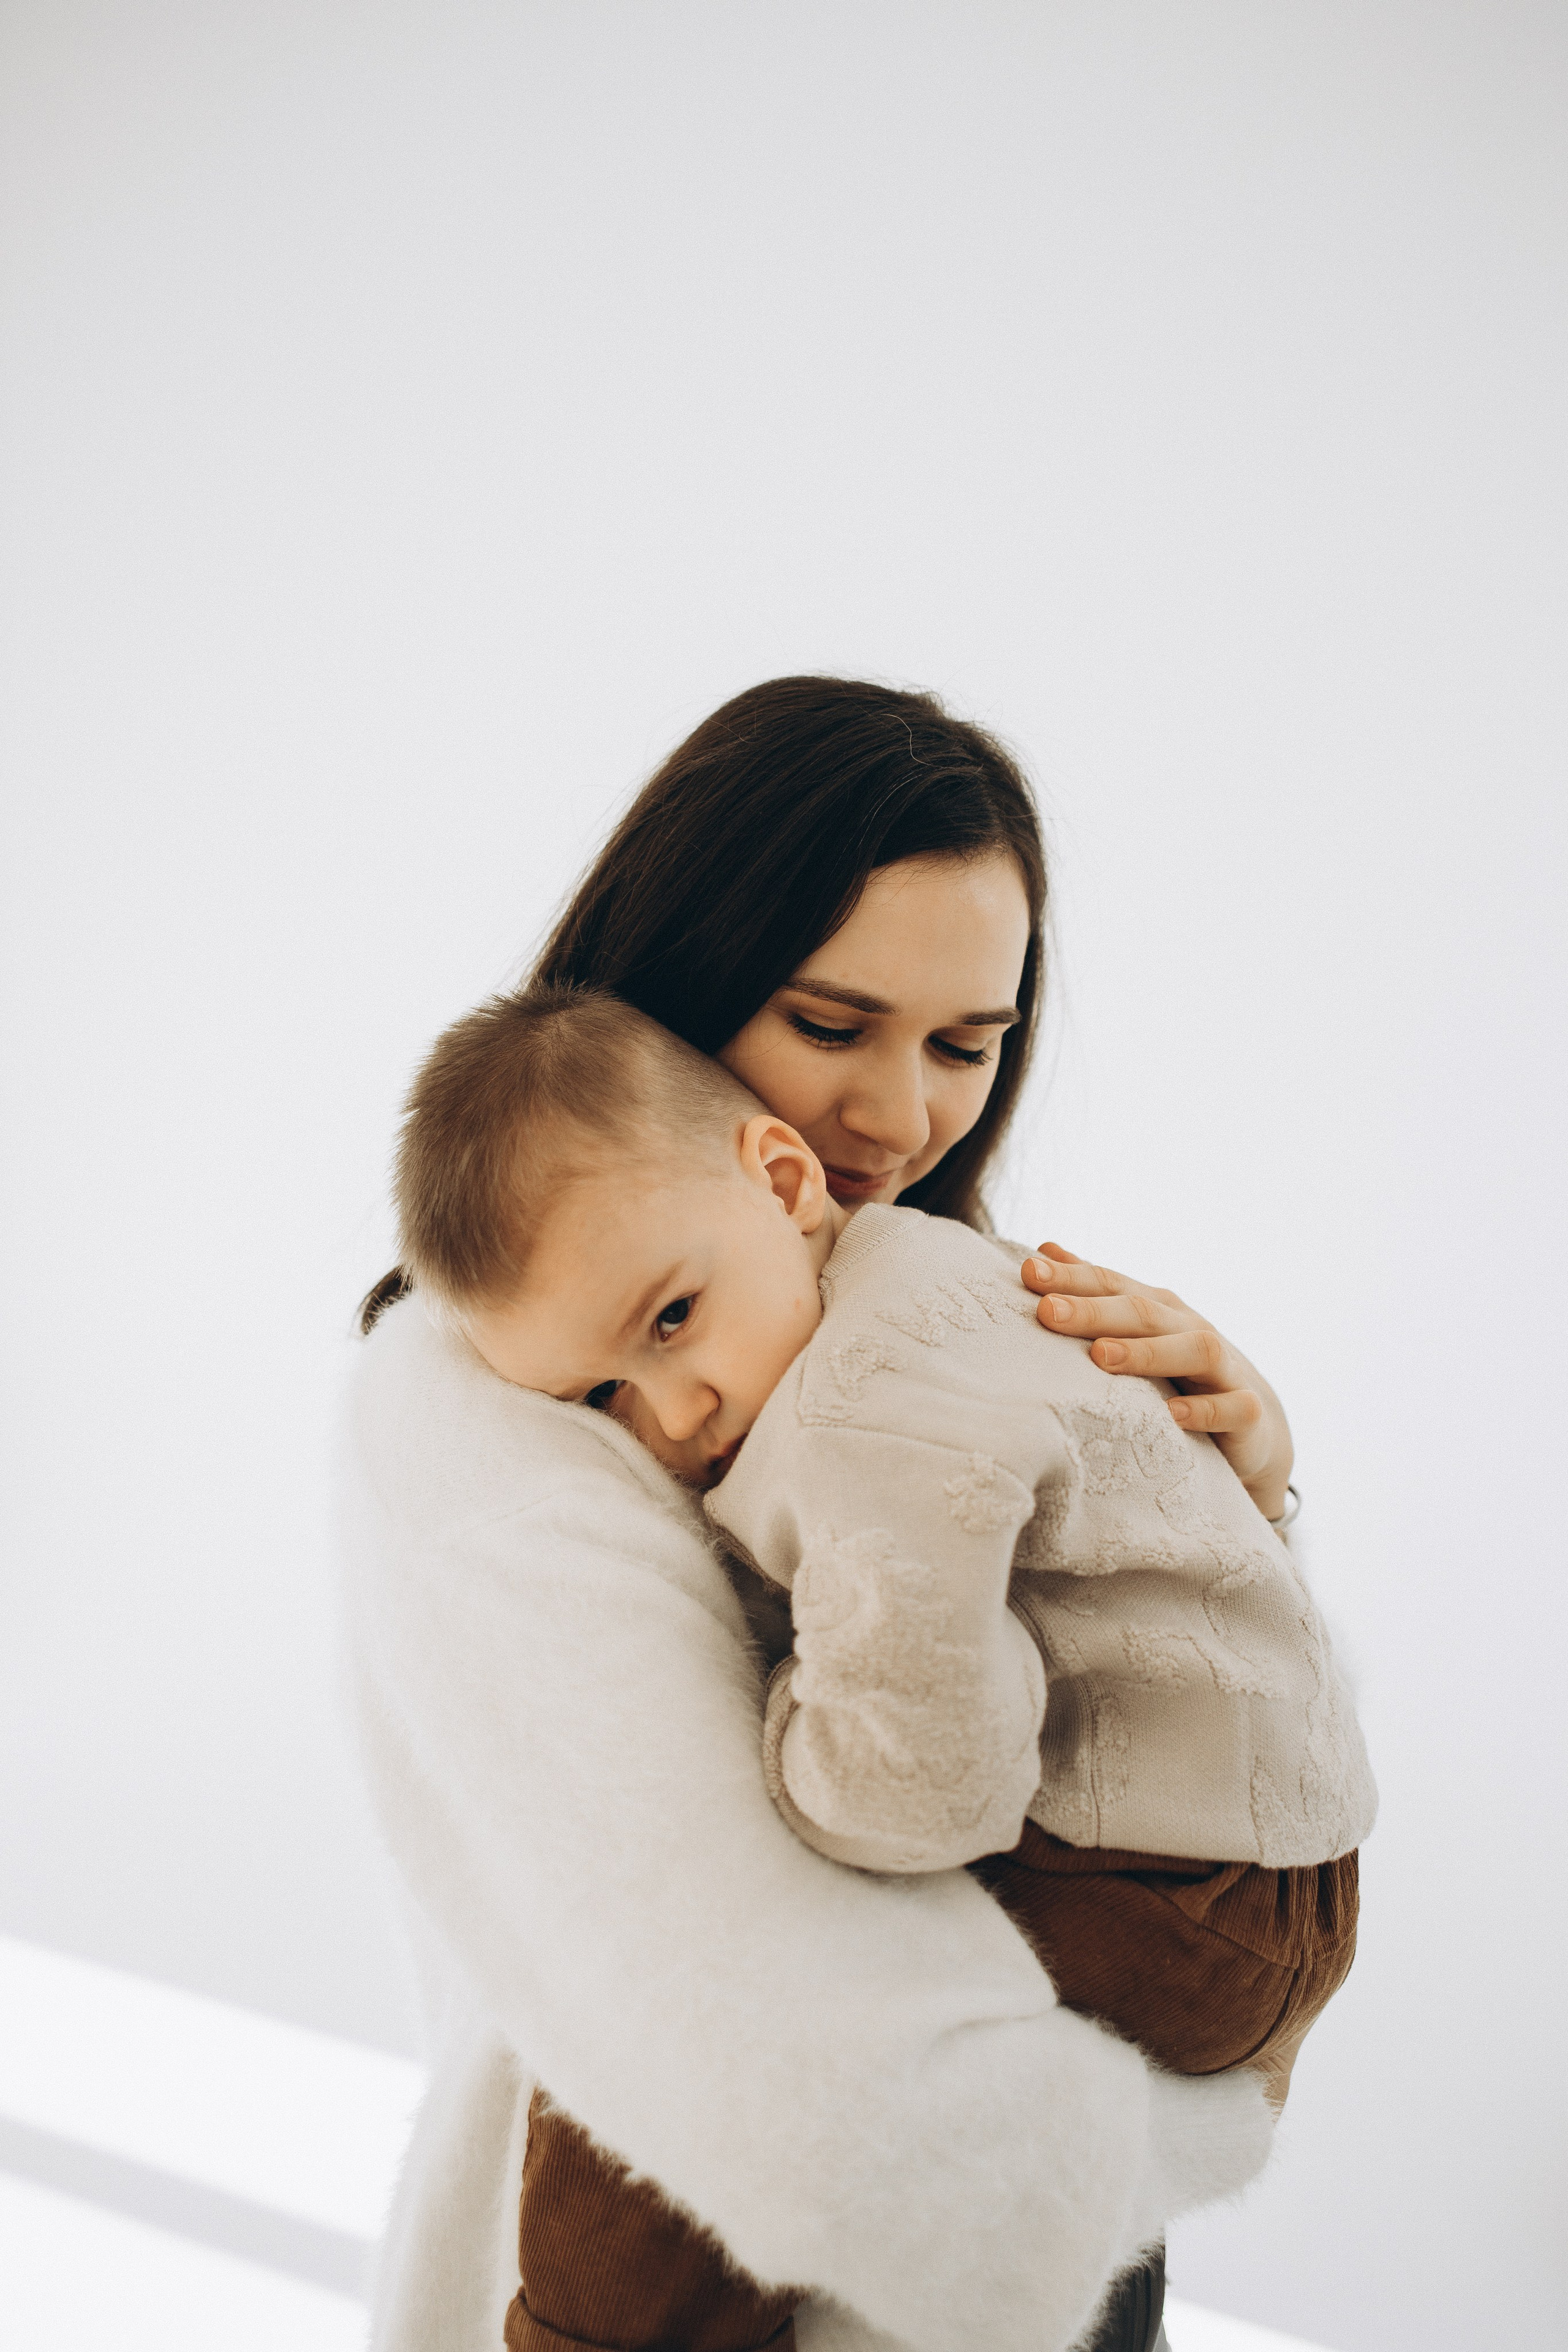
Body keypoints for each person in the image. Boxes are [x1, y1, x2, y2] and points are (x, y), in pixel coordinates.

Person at [342, 677, 1298, 2352]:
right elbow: (743, 1999)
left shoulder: (931, 1322)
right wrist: (1193, 2126)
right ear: (688, 980)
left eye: (964, 1046)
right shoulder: (482, 1387)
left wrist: (1237, 1495)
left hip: (1027, 2243)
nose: (896, 1117)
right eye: (831, 1023)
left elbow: (1179, 1765)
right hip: (758, 2234)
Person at [398, 984, 1371, 2121]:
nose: (671, 1417)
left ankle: (574, 2315)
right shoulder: (920, 1272)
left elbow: (921, 1788)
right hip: (1259, 1861)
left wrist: (780, 1730)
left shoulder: (852, 1417)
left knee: (694, 2030)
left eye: (672, 1322)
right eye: (602, 1396)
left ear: (780, 1180)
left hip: (1181, 1896)